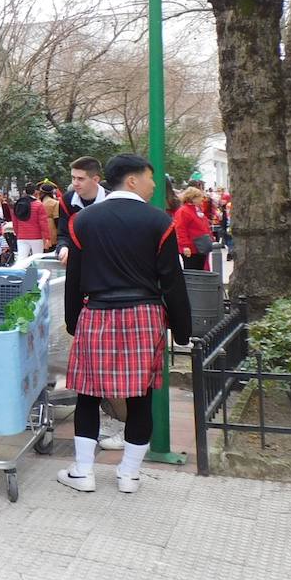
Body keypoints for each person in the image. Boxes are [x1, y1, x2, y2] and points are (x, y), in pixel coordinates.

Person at [60, 154, 192, 494]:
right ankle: (129, 475)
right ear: (132, 180)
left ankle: (83, 472)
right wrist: (183, 330)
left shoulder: (82, 221)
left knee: (88, 395)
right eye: (150, 177)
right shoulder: (160, 222)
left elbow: (74, 277)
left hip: (97, 313)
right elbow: (172, 281)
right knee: (141, 397)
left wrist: (73, 321)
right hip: (145, 315)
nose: (154, 185)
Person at [55, 156, 108, 264]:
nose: (75, 183)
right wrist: (63, 248)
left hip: (105, 261)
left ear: (96, 179)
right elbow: (63, 234)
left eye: (80, 179)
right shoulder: (66, 200)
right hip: (75, 261)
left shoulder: (111, 200)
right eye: (73, 178)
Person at [173, 186, 214, 270]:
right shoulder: (184, 211)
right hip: (191, 249)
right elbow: (180, 230)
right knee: (193, 271)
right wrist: (185, 246)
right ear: (193, 198)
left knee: (200, 269)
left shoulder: (197, 210)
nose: (202, 199)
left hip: (200, 247)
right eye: (200, 197)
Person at [10, 183, 50, 261]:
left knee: (21, 259)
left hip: (21, 236)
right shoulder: (39, 205)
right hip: (36, 237)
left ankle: (20, 269)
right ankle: (34, 270)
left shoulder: (18, 204)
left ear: (25, 191)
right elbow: (43, 223)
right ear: (35, 192)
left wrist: (17, 233)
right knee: (37, 259)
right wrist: (47, 237)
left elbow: (15, 221)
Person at [40, 182, 61, 250]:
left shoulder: (38, 202)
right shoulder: (55, 202)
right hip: (51, 226)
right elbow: (56, 218)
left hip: (40, 227)